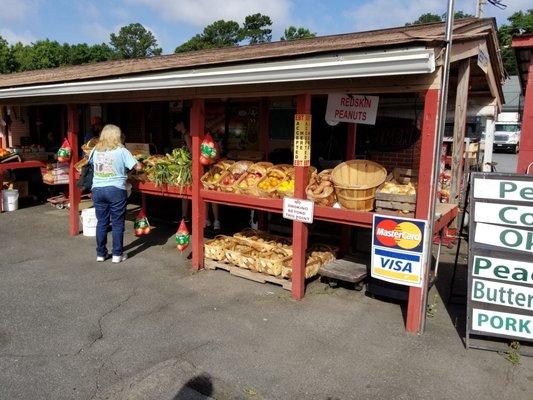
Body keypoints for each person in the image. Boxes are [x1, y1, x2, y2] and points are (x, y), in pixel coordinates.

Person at [91, 124, 141, 263]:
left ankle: (101, 254)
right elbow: (138, 166)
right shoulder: (121, 150)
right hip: (115, 189)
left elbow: (90, 164)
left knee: (102, 222)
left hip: (98, 189)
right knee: (118, 223)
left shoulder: (95, 150)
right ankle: (117, 255)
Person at [173, 115, 221, 236]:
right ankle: (207, 219)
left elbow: (194, 151)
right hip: (204, 169)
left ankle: (213, 220)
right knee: (205, 196)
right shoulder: (206, 143)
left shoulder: (209, 143)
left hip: (207, 170)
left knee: (209, 196)